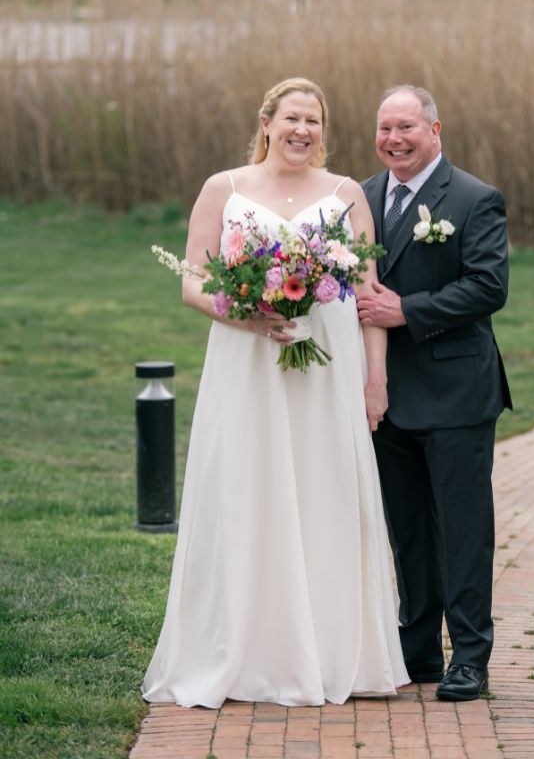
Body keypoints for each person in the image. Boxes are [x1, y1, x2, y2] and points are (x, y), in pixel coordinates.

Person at [142, 77, 410, 708]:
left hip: (327, 369)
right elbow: (191, 281)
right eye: (292, 117)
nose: (302, 130)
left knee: (326, 491)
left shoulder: (346, 195)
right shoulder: (224, 189)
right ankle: (248, 650)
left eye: (313, 121)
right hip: (248, 364)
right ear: (267, 122)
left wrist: (376, 379)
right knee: (247, 486)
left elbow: (368, 295)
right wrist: (251, 317)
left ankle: (335, 650)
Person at [357, 85, 512, 702]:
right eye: (384, 128)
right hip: (384, 394)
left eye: (406, 128)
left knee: (464, 528)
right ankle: (417, 649)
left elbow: (488, 287)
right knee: (409, 529)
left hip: (454, 391)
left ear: (435, 129)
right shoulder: (360, 197)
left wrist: (408, 311)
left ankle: (470, 657)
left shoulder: (475, 199)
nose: (394, 139)